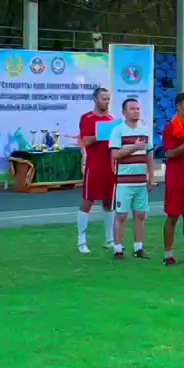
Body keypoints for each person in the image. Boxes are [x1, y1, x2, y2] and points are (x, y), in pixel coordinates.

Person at [109, 98, 153, 260]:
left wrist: (151, 176)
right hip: (123, 182)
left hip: (140, 181)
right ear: (124, 112)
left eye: (138, 108)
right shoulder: (118, 131)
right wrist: (134, 147)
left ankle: (138, 247)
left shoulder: (145, 130)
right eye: (132, 109)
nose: (136, 111)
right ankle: (118, 249)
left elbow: (149, 155)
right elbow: (115, 154)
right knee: (121, 215)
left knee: (140, 215)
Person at [77, 87, 115, 253]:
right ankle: (81, 241)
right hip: (94, 166)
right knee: (88, 201)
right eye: (103, 99)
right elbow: (86, 141)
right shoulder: (87, 118)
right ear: (95, 100)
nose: (106, 102)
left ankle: (110, 239)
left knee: (108, 202)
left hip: (109, 166)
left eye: (108, 99)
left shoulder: (110, 119)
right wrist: (101, 134)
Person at [161, 93, 184, 265]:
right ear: (178, 107)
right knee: (172, 217)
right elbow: (170, 154)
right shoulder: (170, 128)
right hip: (176, 178)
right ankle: (168, 254)